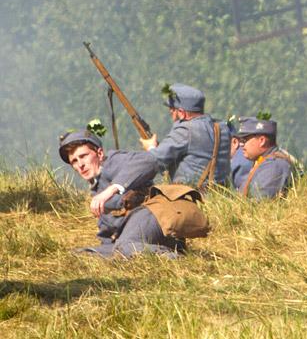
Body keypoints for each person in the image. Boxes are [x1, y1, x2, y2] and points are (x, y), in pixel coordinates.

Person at [59, 126, 180, 257]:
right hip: (132, 233)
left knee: (125, 247)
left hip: (152, 216)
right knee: (84, 254)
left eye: (83, 156)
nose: (80, 164)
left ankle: (173, 258)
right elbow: (108, 230)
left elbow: (149, 161)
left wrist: (112, 189)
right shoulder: (96, 187)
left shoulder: (113, 161)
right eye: (74, 161)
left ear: (99, 154)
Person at [140, 83, 231, 188]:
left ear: (182, 113)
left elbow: (156, 160)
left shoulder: (186, 130)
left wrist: (150, 147)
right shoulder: (223, 128)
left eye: (172, 108)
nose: (170, 112)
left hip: (191, 195)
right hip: (219, 195)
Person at [231, 115, 294, 198]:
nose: (241, 144)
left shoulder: (274, 167)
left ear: (262, 141)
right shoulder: (262, 162)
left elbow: (260, 204)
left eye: (244, 140)